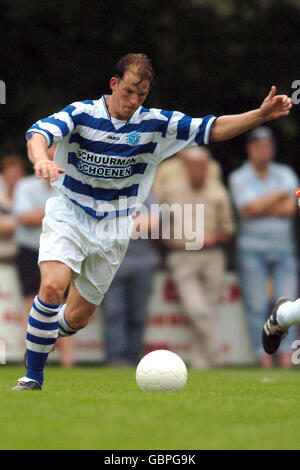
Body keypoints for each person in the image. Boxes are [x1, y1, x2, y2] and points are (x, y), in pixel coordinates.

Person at [12, 53, 292, 390]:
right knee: (53, 286)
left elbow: (212, 127)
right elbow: (38, 134)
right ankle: (33, 377)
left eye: (141, 95)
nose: (133, 101)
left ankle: (40, 330)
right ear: (114, 84)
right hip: (69, 213)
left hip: (114, 227)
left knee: (77, 319)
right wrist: (41, 158)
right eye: (128, 91)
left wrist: (260, 115)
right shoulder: (81, 113)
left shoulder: (156, 125)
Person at [156, 147, 235, 368]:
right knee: (197, 309)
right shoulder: (170, 190)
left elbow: (228, 230)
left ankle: (202, 364)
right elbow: (157, 222)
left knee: (207, 310)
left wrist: (213, 236)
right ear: (185, 167)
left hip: (212, 256)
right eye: (194, 165)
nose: (199, 170)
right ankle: (218, 355)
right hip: (181, 256)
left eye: (203, 165)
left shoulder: (218, 192)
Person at [229, 127, 298, 368]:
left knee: (288, 301)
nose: (263, 151)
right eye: (258, 146)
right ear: (250, 149)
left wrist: (261, 205)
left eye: (267, 146)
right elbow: (246, 210)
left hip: (283, 247)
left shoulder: (286, 172)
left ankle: (288, 356)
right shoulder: (239, 177)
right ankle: (264, 356)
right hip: (251, 248)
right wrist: (278, 195)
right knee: (256, 303)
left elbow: (291, 207)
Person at [13, 145, 74, 368]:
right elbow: (24, 217)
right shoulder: (25, 185)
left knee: (63, 305)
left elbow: (73, 215)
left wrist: (42, 213)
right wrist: (58, 214)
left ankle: (67, 361)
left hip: (62, 249)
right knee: (32, 304)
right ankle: (32, 357)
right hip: (31, 250)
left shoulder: (70, 184)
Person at [101, 192, 160, 366]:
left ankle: (134, 359)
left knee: (138, 315)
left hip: (143, 264)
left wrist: (118, 224)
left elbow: (154, 222)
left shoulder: (146, 193)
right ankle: (116, 360)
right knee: (113, 312)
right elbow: (97, 226)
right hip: (110, 264)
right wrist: (137, 222)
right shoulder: (106, 192)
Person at [0, 154, 25, 263]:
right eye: (10, 176)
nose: (13, 181)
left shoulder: (29, 201)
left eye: (16, 176)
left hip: (26, 262)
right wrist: (28, 221)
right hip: (3, 262)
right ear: (3, 177)